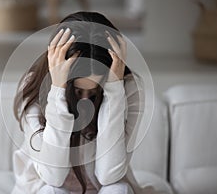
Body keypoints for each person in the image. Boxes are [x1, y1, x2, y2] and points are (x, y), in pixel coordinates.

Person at [12, 12, 158, 194]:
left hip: (102, 189)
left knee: (117, 190)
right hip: (47, 188)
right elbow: (52, 177)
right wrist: (58, 90)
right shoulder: (33, 87)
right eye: (77, 91)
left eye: (94, 92)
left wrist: (113, 91)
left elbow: (108, 175)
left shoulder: (128, 89)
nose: (84, 102)